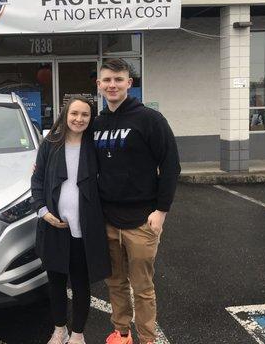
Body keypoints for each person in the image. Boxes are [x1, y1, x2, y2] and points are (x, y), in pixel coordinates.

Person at [93, 59, 181, 344]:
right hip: (107, 219)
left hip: (142, 219)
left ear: (129, 83)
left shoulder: (149, 119)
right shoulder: (97, 123)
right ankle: (121, 333)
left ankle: (148, 338)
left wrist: (161, 211)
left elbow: (170, 165)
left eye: (118, 79)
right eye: (107, 80)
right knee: (115, 283)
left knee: (142, 287)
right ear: (99, 85)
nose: (112, 85)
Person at [31, 95, 111, 344]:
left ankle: (77, 333)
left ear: (91, 118)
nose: (79, 119)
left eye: (85, 115)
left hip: (84, 230)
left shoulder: (95, 145)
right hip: (55, 227)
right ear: (65, 115)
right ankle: (59, 329)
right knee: (55, 284)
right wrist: (43, 212)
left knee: (81, 284)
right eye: (74, 113)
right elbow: (37, 181)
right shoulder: (50, 144)